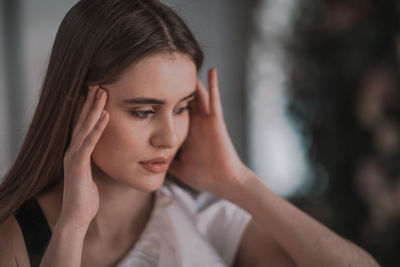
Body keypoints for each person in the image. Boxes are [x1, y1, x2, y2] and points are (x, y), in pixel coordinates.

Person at [0, 0, 380, 266]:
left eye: (182, 107)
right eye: (144, 111)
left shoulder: (208, 219)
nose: (169, 136)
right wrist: (72, 226)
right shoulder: (18, 239)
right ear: (76, 104)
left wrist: (238, 181)